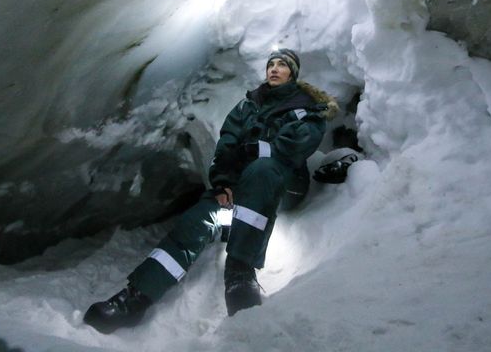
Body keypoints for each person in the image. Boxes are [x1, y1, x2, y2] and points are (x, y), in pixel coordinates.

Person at [83, 48, 338, 333]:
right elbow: (227, 145)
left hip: (286, 184)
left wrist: (257, 149)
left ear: (293, 73)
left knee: (262, 168)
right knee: (199, 218)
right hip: (246, 183)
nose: (275, 68)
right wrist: (222, 183)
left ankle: (241, 271)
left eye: (282, 65)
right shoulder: (247, 107)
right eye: (271, 64)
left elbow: (299, 144)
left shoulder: (306, 107)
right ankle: (136, 297)